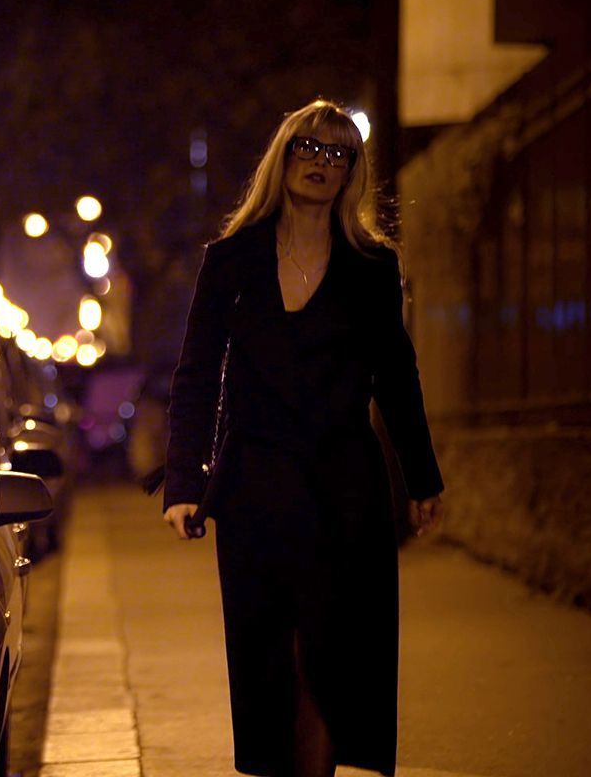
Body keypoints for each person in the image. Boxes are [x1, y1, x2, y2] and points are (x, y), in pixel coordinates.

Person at [160, 98, 445, 777]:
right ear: (283, 158)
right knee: (268, 651)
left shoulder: (371, 267)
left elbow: (396, 377)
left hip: (344, 487)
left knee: (326, 649)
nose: (321, 162)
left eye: (338, 153)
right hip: (255, 485)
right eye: (308, 148)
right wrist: (183, 482)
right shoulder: (232, 260)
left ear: (352, 172)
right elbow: (196, 373)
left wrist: (422, 478)